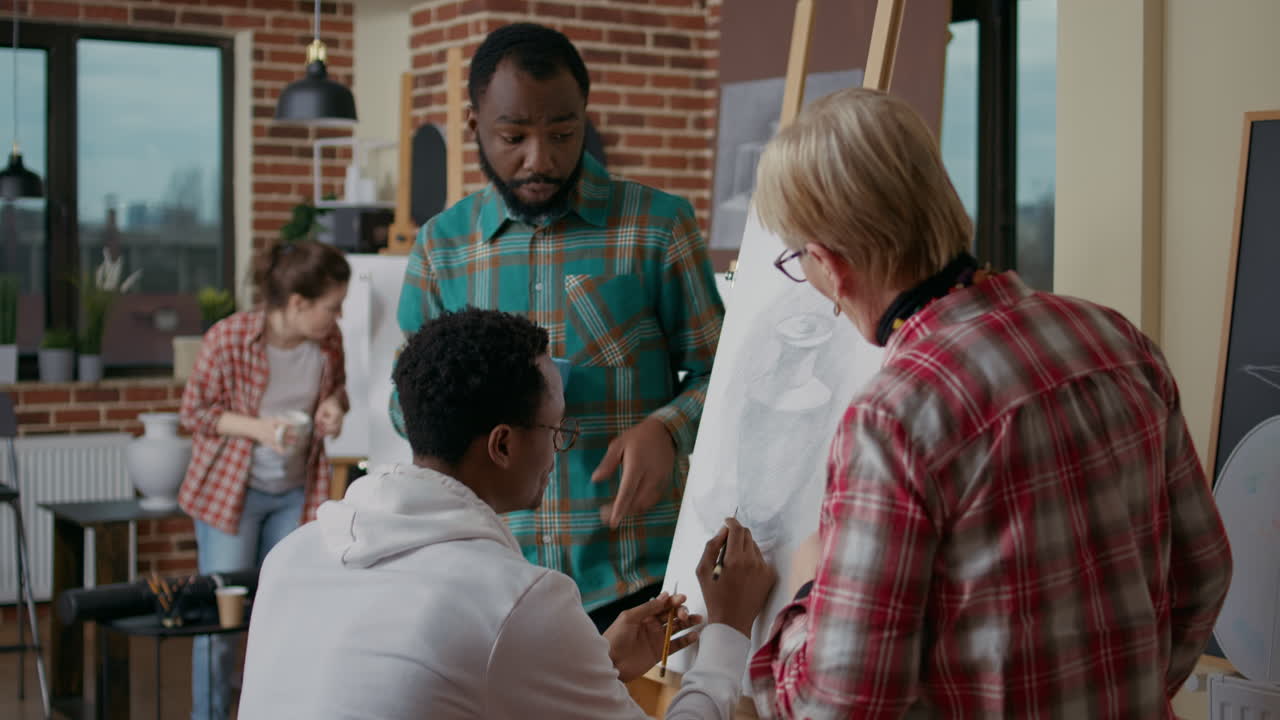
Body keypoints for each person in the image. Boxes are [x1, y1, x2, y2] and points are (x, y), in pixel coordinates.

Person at [745, 87, 1233, 718]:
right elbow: (1205, 573)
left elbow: (839, 707)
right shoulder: (1115, 339)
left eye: (798, 260)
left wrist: (808, 587)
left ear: (832, 266)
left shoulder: (892, 418)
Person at [239, 308, 775, 719]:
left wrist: (594, 665)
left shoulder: (293, 554)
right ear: (502, 445)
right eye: (557, 430)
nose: (558, 450)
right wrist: (727, 630)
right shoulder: (516, 601)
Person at [394, 22, 725, 630]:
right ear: (475, 128)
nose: (539, 159)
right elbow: (403, 402)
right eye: (513, 136)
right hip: (492, 574)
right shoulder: (443, 248)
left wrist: (669, 429)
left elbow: (726, 375)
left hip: (637, 576)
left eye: (563, 133)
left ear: (584, 117)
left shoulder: (657, 227)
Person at [178, 240, 350, 720]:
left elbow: (336, 392)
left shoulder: (328, 342)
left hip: (296, 493)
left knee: (282, 613)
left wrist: (333, 409)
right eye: (331, 307)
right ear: (297, 304)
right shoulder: (228, 339)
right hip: (232, 496)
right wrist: (259, 429)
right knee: (223, 621)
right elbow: (194, 412)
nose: (337, 317)